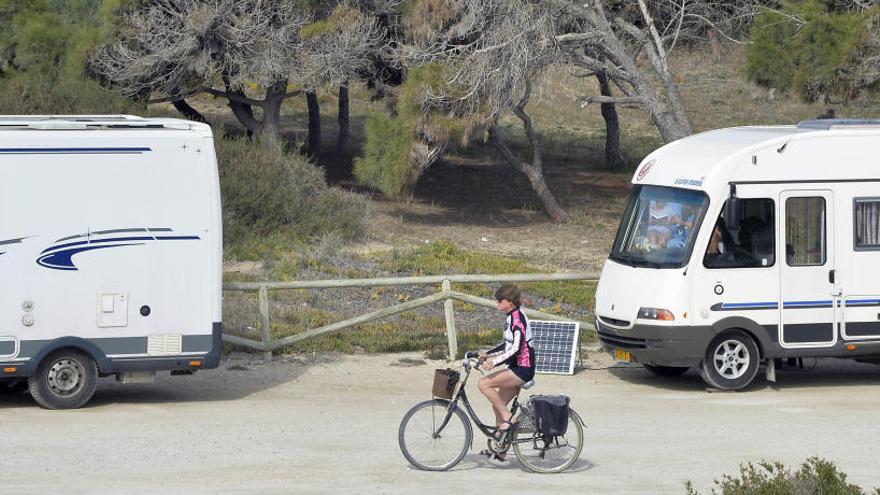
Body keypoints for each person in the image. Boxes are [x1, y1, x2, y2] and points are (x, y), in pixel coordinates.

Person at [477, 284, 536, 462]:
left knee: (483, 384)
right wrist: (488, 353)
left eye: (499, 301)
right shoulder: (512, 317)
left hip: (522, 369)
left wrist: (493, 363)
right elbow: (507, 345)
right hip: (516, 367)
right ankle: (501, 449)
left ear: (509, 303)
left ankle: (509, 418)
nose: (497, 304)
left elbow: (516, 349)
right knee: (498, 405)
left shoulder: (517, 320)